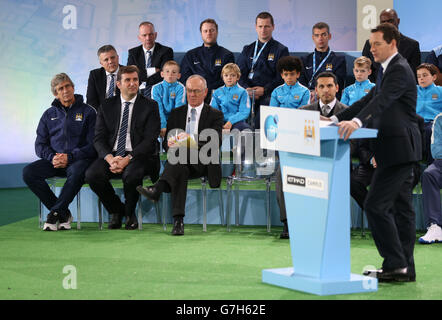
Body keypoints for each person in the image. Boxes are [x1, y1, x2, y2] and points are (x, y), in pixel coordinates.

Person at [331, 23, 422, 282]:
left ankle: (395, 264)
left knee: (375, 206)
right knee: (401, 212)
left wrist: (356, 123)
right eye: (371, 44)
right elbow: (367, 100)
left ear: (392, 43)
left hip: (400, 151)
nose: (372, 49)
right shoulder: (386, 70)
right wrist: (335, 119)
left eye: (377, 44)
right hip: (395, 150)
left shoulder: (400, 69)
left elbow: (382, 102)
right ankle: (404, 269)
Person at [137, 75, 224, 236]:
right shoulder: (177, 113)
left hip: (203, 162)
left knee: (179, 153)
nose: (192, 94)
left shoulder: (215, 114)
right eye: (189, 91)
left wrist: (189, 141)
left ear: (205, 92)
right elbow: (166, 142)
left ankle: (158, 188)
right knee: (180, 167)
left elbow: (214, 143)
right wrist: (169, 143)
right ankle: (178, 221)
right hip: (180, 163)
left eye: (196, 91)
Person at [85, 65, 160, 230]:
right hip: (112, 155)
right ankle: (117, 210)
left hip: (140, 155)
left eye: (135, 80)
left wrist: (128, 159)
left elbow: (150, 140)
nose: (133, 83)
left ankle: (130, 212)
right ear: (118, 84)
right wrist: (110, 158)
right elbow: (98, 138)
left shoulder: (150, 105)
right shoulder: (106, 105)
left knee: (132, 174)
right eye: (128, 80)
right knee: (92, 175)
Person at [275, 71, 347, 239]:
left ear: (337, 88)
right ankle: (289, 223)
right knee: (282, 172)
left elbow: (355, 145)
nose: (325, 90)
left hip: (336, 160)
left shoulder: (347, 112)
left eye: (329, 86)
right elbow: (295, 140)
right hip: (309, 159)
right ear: (315, 90)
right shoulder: (303, 111)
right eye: (321, 86)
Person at [23, 73, 97, 231]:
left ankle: (54, 213)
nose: (65, 91)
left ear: (73, 87)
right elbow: (40, 145)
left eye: (68, 86)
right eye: (60, 89)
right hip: (55, 161)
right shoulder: (48, 114)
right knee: (28, 172)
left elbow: (93, 145)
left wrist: (70, 157)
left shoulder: (88, 112)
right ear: (55, 94)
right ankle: (63, 213)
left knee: (77, 172)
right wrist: (52, 157)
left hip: (78, 160)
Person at [237, 11, 289, 129]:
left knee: (268, 102)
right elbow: (239, 74)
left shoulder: (281, 50)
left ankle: (258, 139)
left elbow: (282, 78)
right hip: (248, 92)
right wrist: (246, 89)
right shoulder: (247, 49)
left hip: (269, 93)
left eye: (267, 26)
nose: (263, 30)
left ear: (273, 27)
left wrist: (265, 90)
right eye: (260, 26)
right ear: (256, 27)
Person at [180, 18, 235, 103]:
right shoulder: (191, 55)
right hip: (195, 95)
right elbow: (184, 78)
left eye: (211, 30)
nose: (208, 33)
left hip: (218, 96)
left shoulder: (227, 55)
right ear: (201, 34)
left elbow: (229, 80)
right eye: (205, 31)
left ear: (217, 32)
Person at [362, 8, 420, 82]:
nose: (387, 24)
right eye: (383, 22)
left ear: (398, 21)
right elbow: (365, 71)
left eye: (390, 21)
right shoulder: (369, 44)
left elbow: (414, 74)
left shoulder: (412, 45)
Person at [299, 22, 346, 101]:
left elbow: (337, 85)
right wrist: (308, 95)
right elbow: (300, 84)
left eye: (323, 35)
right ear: (313, 37)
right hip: (307, 99)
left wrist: (318, 94)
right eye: (317, 35)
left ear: (329, 36)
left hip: (328, 99)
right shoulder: (304, 60)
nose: (320, 38)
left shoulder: (339, 60)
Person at [127, 21, 174, 98]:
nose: (148, 38)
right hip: (138, 93)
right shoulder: (133, 53)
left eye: (150, 34)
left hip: (160, 92)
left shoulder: (166, 51)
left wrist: (142, 80)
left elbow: (165, 74)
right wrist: (152, 70)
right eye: (144, 35)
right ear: (139, 37)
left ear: (155, 35)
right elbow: (130, 74)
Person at [419, 112, 442, 244]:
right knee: (429, 174)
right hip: (441, 162)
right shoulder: (439, 119)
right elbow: (436, 151)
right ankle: (435, 226)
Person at [210, 63, 251, 132]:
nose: (229, 78)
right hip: (220, 120)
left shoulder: (243, 92)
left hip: (237, 122)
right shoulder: (217, 92)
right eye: (226, 75)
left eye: (233, 75)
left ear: (237, 77)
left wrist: (230, 122)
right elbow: (213, 110)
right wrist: (219, 121)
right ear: (222, 77)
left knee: (245, 129)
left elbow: (244, 112)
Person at [151, 60, 186, 138]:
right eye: (167, 71)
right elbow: (158, 109)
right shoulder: (156, 88)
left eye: (174, 72)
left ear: (179, 76)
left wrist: (172, 127)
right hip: (160, 119)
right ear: (162, 74)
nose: (170, 74)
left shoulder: (181, 88)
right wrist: (163, 125)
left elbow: (179, 110)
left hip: (176, 120)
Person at [416, 63, 442, 163]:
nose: (421, 79)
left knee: (430, 131)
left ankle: (432, 165)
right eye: (418, 76)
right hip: (416, 122)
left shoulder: (440, 91)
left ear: (434, 77)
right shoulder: (413, 90)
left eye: (425, 75)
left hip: (433, 123)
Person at [86, 45, 122, 111]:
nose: (110, 61)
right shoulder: (94, 75)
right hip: (101, 114)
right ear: (101, 63)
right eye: (106, 59)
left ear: (118, 57)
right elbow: (91, 101)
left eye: (113, 57)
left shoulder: (128, 72)